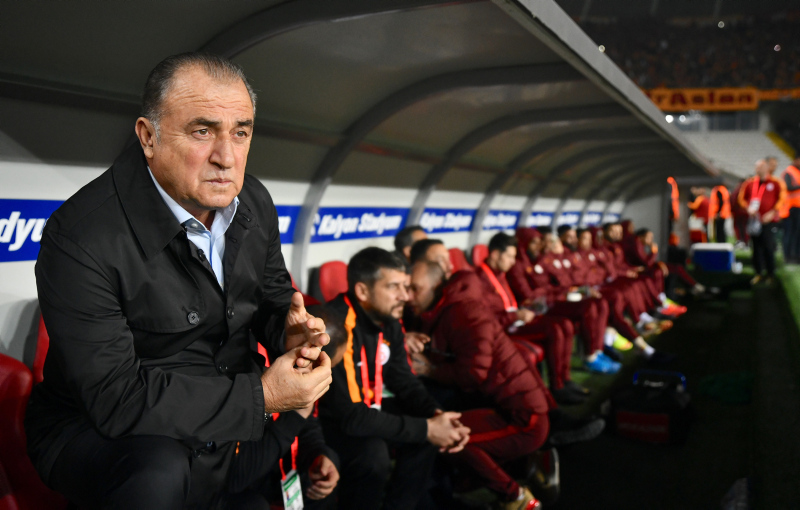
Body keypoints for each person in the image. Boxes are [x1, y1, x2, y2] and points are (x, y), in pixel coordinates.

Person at [27, 53, 333, 509]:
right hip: (100, 433)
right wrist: (262, 396)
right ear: (148, 137)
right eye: (202, 131)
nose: (226, 157)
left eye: (241, 133)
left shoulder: (254, 200)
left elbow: (271, 296)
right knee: (160, 468)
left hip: (222, 418)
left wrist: (285, 333)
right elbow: (116, 398)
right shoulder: (80, 238)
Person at [318, 247, 470, 510]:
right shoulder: (339, 326)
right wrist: (427, 428)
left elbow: (404, 379)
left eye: (406, 286)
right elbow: (351, 417)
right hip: (329, 424)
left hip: (368, 406)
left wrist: (437, 417)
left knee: (426, 431)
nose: (405, 296)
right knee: (373, 454)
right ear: (363, 291)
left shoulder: (387, 316)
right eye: (394, 287)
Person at [406, 261, 550, 509]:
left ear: (437, 286)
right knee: (441, 427)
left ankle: (516, 497)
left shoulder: (464, 312)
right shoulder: (439, 310)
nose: (408, 297)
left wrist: (430, 370)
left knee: (451, 435)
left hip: (523, 418)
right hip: (503, 406)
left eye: (415, 289)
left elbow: (473, 374)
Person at [225, 305, 346, 509]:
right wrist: (294, 416)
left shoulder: (301, 369)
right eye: (327, 367)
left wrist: (321, 456)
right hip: (247, 484)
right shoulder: (243, 367)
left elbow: (309, 424)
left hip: (282, 473)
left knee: (322, 485)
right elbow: (235, 476)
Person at [476, 232, 584, 405]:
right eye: (509, 256)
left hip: (516, 320)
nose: (513, 261)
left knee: (564, 324)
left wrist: (521, 312)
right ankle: (556, 387)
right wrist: (515, 315)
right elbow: (486, 319)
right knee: (554, 329)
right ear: (495, 255)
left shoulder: (500, 273)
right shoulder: (479, 280)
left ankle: (564, 379)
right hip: (505, 329)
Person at [507, 227, 619, 374]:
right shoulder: (521, 264)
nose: (539, 246)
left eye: (540, 242)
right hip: (542, 307)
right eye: (535, 243)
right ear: (523, 244)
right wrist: (558, 292)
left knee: (598, 303)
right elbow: (531, 295)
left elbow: (556, 283)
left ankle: (597, 350)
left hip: (554, 299)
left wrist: (565, 290)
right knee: (586, 309)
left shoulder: (539, 259)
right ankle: (589, 357)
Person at [739, 158, 787, 284]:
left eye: (761, 167)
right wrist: (748, 208)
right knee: (756, 247)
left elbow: (782, 199)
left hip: (768, 221)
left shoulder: (776, 182)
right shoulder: (749, 183)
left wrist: (772, 212)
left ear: (766, 168)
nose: (758, 169)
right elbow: (741, 199)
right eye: (757, 167)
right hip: (754, 220)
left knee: (768, 247)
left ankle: (770, 274)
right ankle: (759, 273)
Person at [780, 157, 800, 263]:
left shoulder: (797, 172)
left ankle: (796, 256)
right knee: (789, 233)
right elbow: (788, 187)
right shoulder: (788, 172)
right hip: (790, 208)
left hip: (797, 207)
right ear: (795, 160)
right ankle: (787, 256)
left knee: (797, 233)